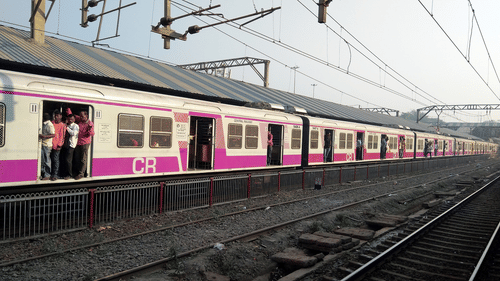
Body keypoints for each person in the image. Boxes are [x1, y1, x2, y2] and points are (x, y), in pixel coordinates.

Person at [70, 110, 94, 180]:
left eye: (82, 116)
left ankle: (81, 174)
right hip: (78, 142)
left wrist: (89, 130)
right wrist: (68, 108)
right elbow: (73, 116)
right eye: (80, 116)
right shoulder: (80, 120)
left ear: (86, 116)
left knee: (83, 159)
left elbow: (92, 134)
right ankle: (76, 172)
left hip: (85, 143)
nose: (80, 118)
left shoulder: (90, 123)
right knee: (77, 158)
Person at [50, 110, 66, 181]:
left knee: (55, 160)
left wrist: (59, 145)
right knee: (50, 160)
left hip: (56, 146)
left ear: (61, 116)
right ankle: (50, 173)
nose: (56, 117)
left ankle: (55, 174)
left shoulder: (62, 125)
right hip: (50, 144)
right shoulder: (52, 123)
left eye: (58, 115)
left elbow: (62, 136)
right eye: (55, 115)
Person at [39, 113, 55, 180]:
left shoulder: (49, 125)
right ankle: (43, 173)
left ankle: (47, 175)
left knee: (47, 160)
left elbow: (53, 134)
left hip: (47, 145)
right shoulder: (44, 124)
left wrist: (44, 136)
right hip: (43, 144)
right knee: (43, 160)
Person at [63, 114, 79, 180]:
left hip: (71, 145)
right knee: (65, 160)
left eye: (72, 119)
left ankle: (69, 174)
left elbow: (73, 133)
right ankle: (65, 173)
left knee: (68, 160)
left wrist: (67, 128)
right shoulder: (67, 126)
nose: (70, 120)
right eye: (69, 119)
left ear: (74, 119)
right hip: (66, 144)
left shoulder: (76, 126)